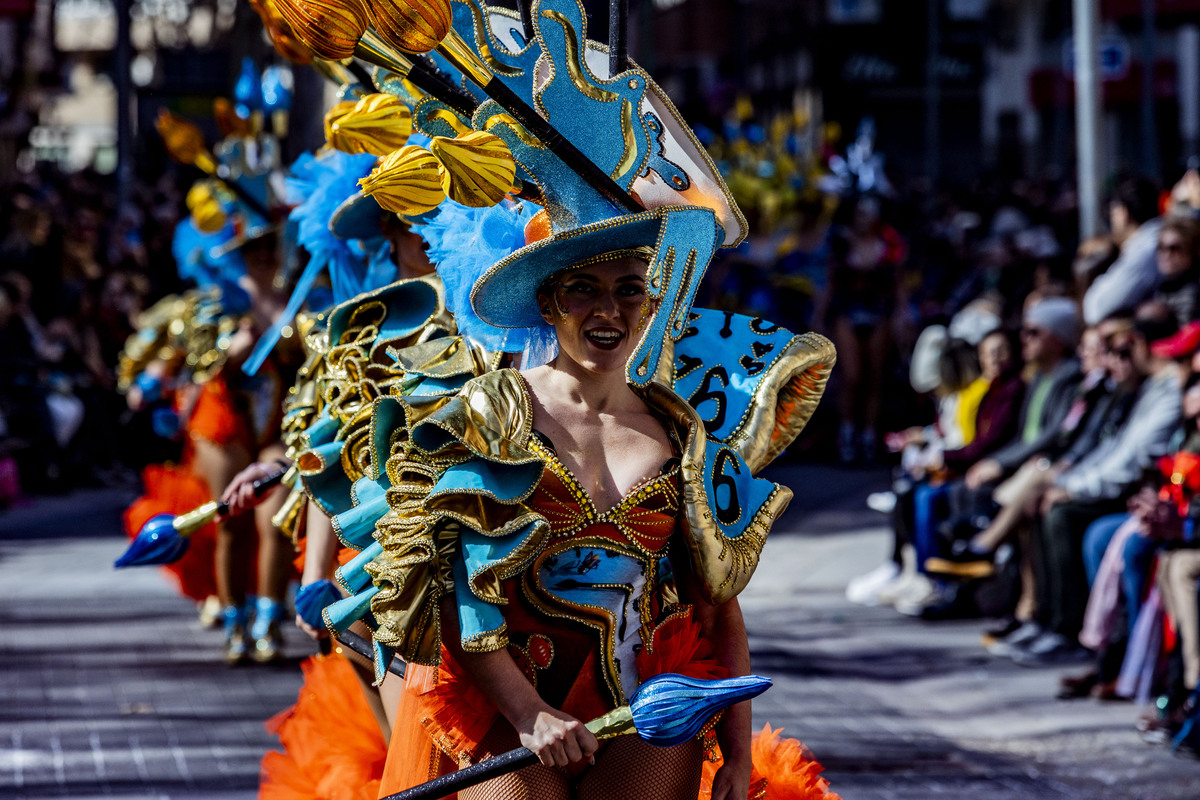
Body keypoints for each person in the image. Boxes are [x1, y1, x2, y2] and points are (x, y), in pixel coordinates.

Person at [1082, 176, 1163, 325]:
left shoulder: (1147, 249)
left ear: (1124, 213)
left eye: (1113, 212)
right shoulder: (1149, 241)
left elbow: (1097, 309)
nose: (1112, 220)